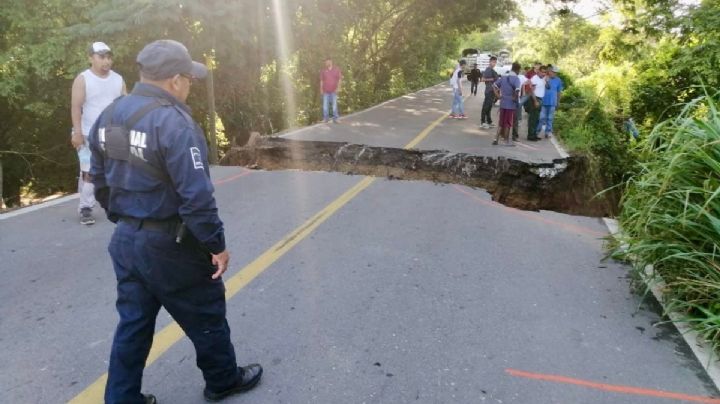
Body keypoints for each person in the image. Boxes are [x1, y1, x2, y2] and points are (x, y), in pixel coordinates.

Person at [88, 39, 262, 404]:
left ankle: (121, 399)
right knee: (206, 311)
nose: (191, 86)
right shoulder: (174, 123)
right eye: (189, 78)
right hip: (171, 246)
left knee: (133, 324)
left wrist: (127, 221)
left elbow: (100, 183)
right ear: (175, 80)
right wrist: (216, 245)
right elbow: (196, 198)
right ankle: (222, 380)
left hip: (126, 241)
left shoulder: (109, 115)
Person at [70, 41, 126, 225]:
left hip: (114, 133)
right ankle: (86, 208)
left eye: (109, 57)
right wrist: (77, 133)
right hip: (88, 133)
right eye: (101, 57)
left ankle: (118, 205)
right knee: (90, 172)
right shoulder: (83, 79)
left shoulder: (118, 79)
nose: (106, 61)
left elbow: (125, 106)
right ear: (90, 58)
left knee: (117, 169)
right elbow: (76, 107)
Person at [491, 62, 522, 146]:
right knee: (508, 123)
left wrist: (498, 95)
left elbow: (494, 85)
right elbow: (517, 90)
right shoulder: (516, 79)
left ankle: (495, 139)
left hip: (503, 103)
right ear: (518, 70)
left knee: (501, 122)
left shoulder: (504, 77)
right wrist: (515, 98)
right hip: (510, 105)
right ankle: (506, 141)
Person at [537, 65, 564, 138]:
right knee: (541, 117)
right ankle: (537, 131)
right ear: (549, 71)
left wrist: (558, 102)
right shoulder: (544, 78)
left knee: (550, 118)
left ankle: (548, 132)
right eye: (553, 72)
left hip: (552, 102)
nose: (554, 73)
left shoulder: (558, 80)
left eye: (555, 72)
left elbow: (559, 92)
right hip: (543, 101)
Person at [526, 65, 547, 141]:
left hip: (540, 99)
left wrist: (546, 80)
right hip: (535, 99)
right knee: (533, 118)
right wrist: (535, 101)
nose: (544, 73)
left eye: (545, 72)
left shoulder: (544, 78)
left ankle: (534, 134)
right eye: (542, 72)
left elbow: (548, 87)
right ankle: (530, 136)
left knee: (537, 118)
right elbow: (532, 91)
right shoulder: (534, 78)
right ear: (538, 71)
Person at [320, 57, 342, 123]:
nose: (326, 63)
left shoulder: (336, 69)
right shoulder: (323, 71)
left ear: (331, 61)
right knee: (325, 106)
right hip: (325, 91)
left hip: (334, 91)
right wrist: (321, 89)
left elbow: (340, 79)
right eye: (325, 62)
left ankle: (336, 118)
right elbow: (321, 81)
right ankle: (326, 119)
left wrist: (338, 88)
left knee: (334, 105)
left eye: (328, 61)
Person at [480, 56, 499, 129]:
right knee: (486, 106)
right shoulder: (488, 69)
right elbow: (482, 79)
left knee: (489, 107)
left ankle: (489, 121)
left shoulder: (492, 69)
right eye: (493, 62)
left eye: (495, 62)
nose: (494, 63)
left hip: (492, 91)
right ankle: (482, 122)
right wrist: (492, 79)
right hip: (489, 90)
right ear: (490, 62)